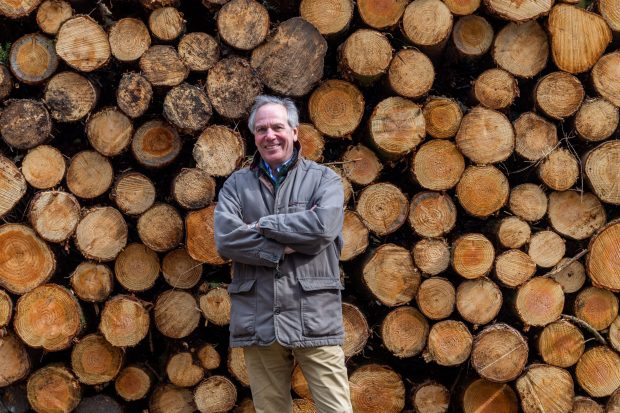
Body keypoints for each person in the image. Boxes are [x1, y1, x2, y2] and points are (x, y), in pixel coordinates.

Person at [214, 95, 352, 413]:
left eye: (277, 126)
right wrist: (284, 244)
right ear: (254, 136)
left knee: (336, 408)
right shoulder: (236, 186)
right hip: (258, 316)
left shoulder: (324, 180)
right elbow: (226, 241)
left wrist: (263, 224)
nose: (269, 135)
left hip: (314, 314)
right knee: (271, 409)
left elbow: (321, 228)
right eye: (261, 129)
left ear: (294, 131)